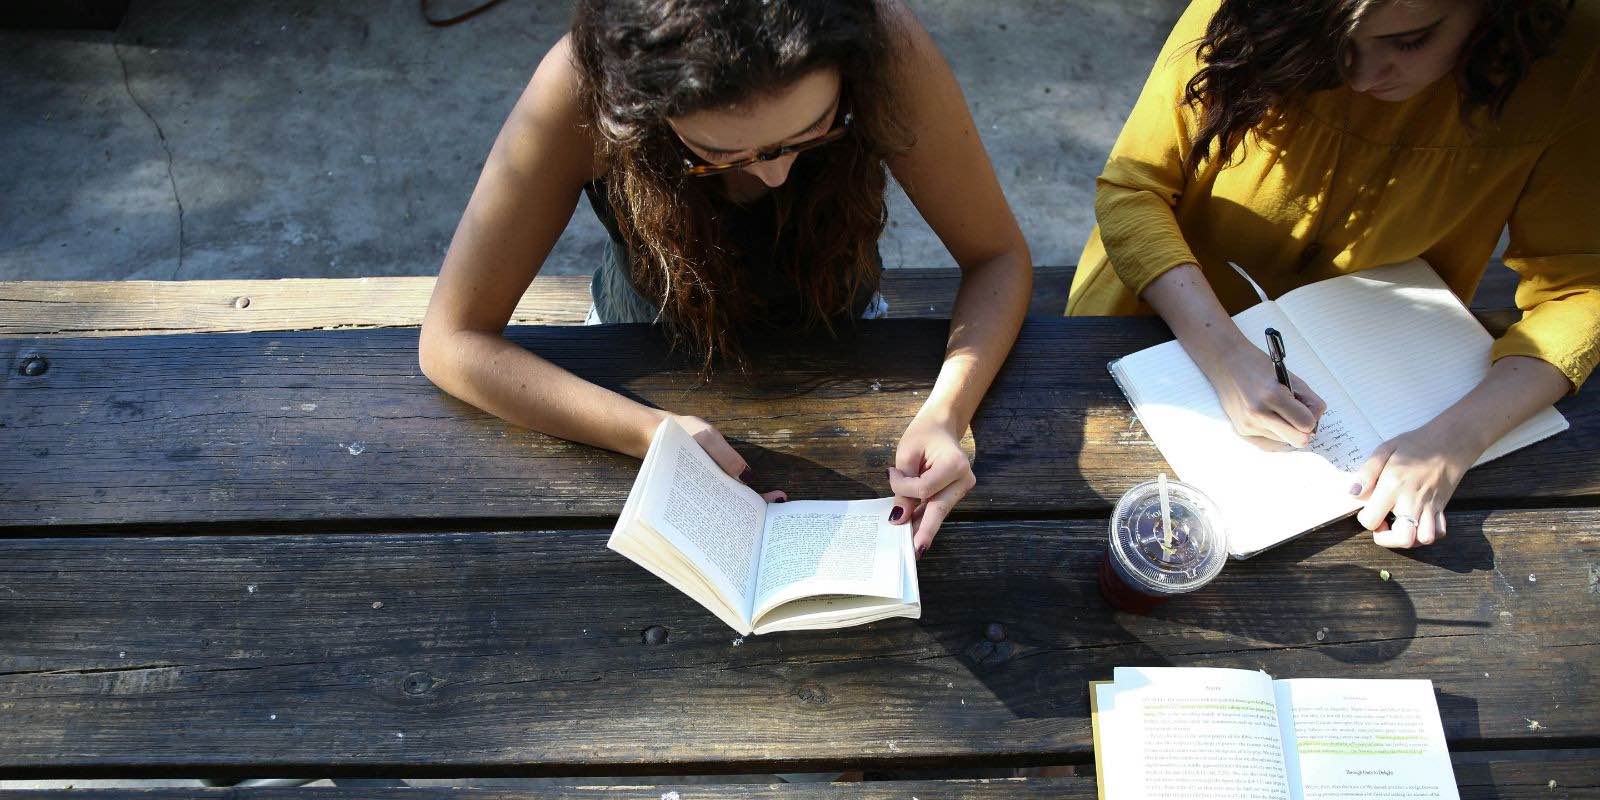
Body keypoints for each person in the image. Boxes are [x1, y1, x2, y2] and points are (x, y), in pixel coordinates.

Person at [420, 0, 1032, 557]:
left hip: (845, 331)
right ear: (638, 108)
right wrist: (651, 432)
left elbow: (997, 256)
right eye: (721, 155)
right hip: (637, 347)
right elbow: (452, 341)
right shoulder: (582, 85)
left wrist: (947, 413)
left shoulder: (884, 44)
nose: (776, 176)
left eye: (814, 130)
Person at [1070, 0, 1597, 549]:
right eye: (1338, 43)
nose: (1364, 76)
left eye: (1410, 40)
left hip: (1392, 378)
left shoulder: (1573, 57)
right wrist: (1225, 354)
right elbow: (1135, 190)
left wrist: (1455, 439)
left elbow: (1583, 288)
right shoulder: (1249, 11)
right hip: (1154, 316)